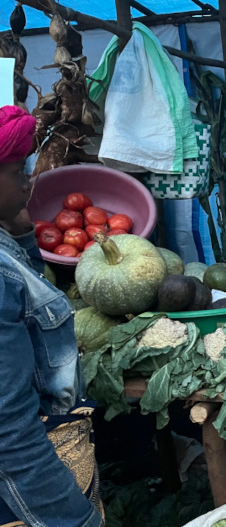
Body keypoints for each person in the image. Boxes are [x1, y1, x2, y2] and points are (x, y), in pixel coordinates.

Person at [0, 106, 103, 527]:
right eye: (17, 171)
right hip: (29, 492)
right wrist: (74, 520)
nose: (29, 179)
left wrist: (22, 232)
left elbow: (23, 300)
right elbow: (9, 430)